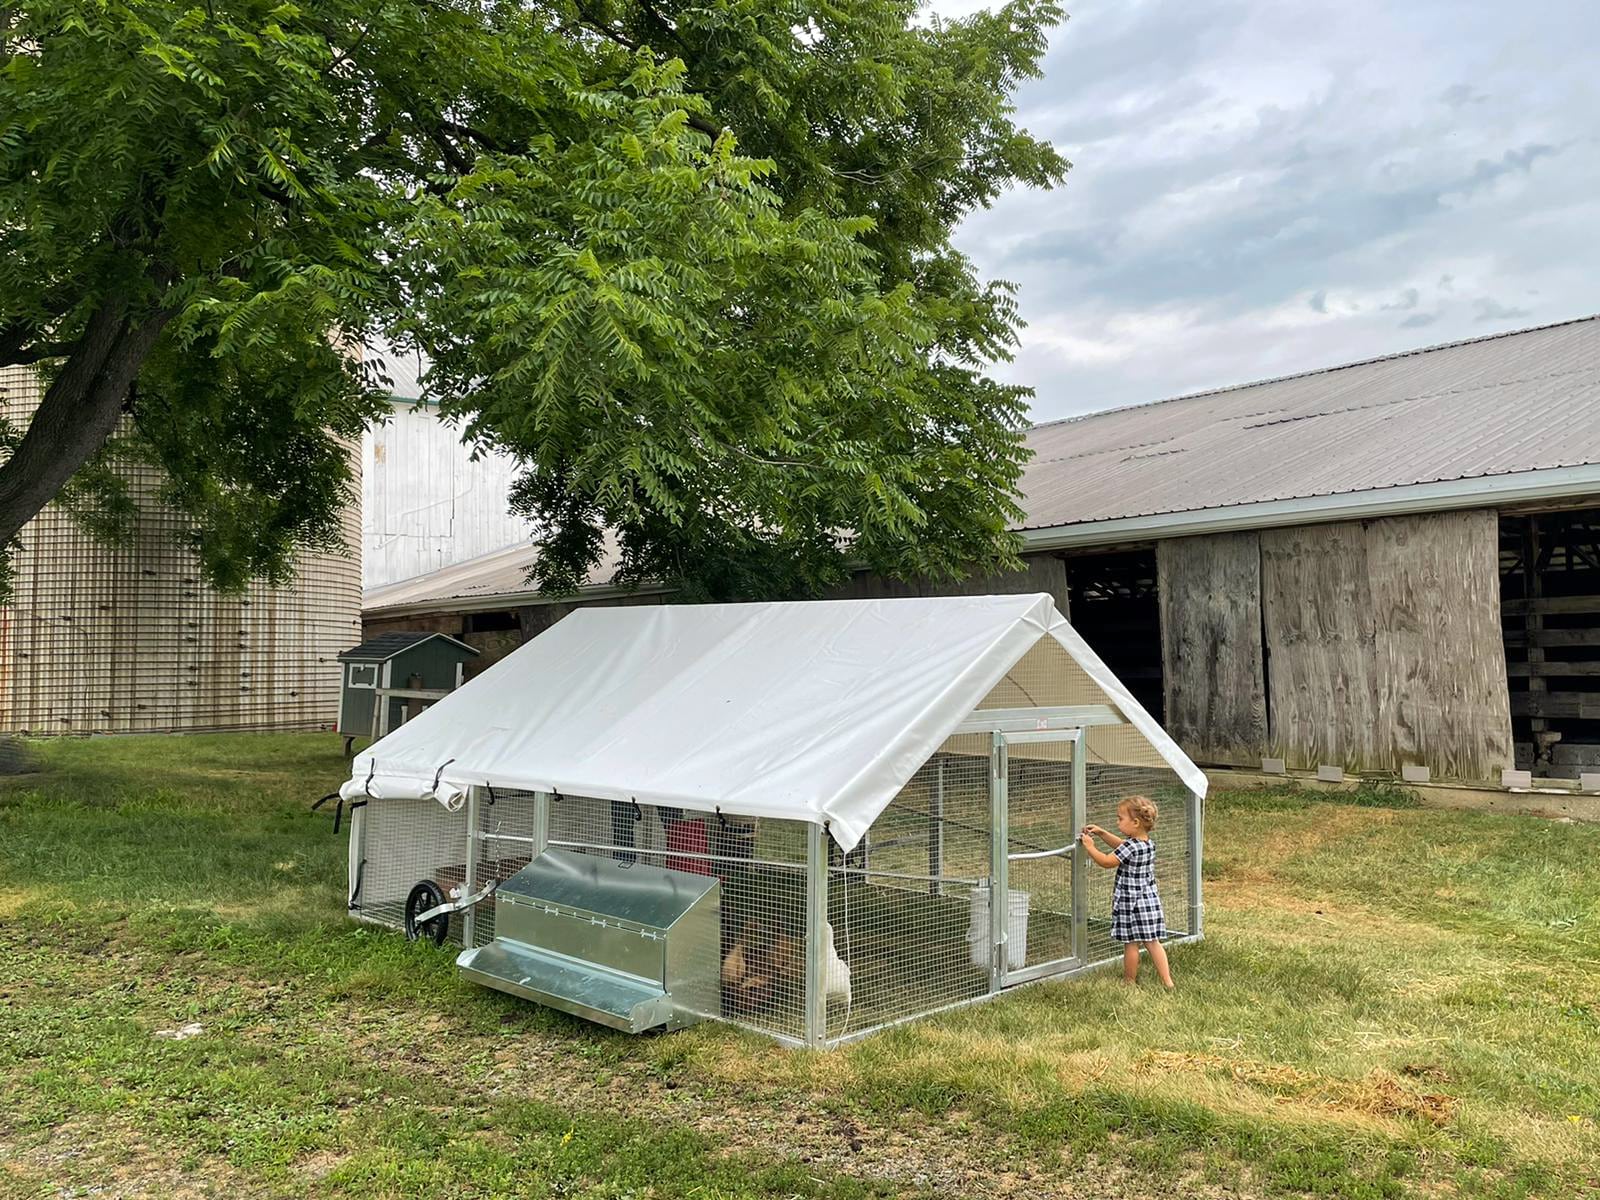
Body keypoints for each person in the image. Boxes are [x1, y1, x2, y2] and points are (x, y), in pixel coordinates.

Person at [1081, 795, 1174, 990]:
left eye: (1120, 818)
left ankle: (1129, 982)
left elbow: (1107, 861)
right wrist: (1103, 833)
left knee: (1131, 943)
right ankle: (1168, 982)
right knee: (1153, 942)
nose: (1118, 822)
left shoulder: (1131, 847)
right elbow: (1121, 846)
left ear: (1135, 822)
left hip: (1131, 903)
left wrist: (1090, 847)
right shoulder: (1147, 844)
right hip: (1148, 901)